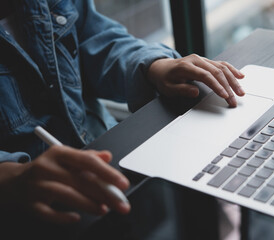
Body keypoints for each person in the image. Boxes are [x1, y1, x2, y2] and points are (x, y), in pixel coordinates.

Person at [0, 0, 245, 235]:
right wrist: (11, 176)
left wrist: (153, 65)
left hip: (112, 154)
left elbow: (90, 37)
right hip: (37, 210)